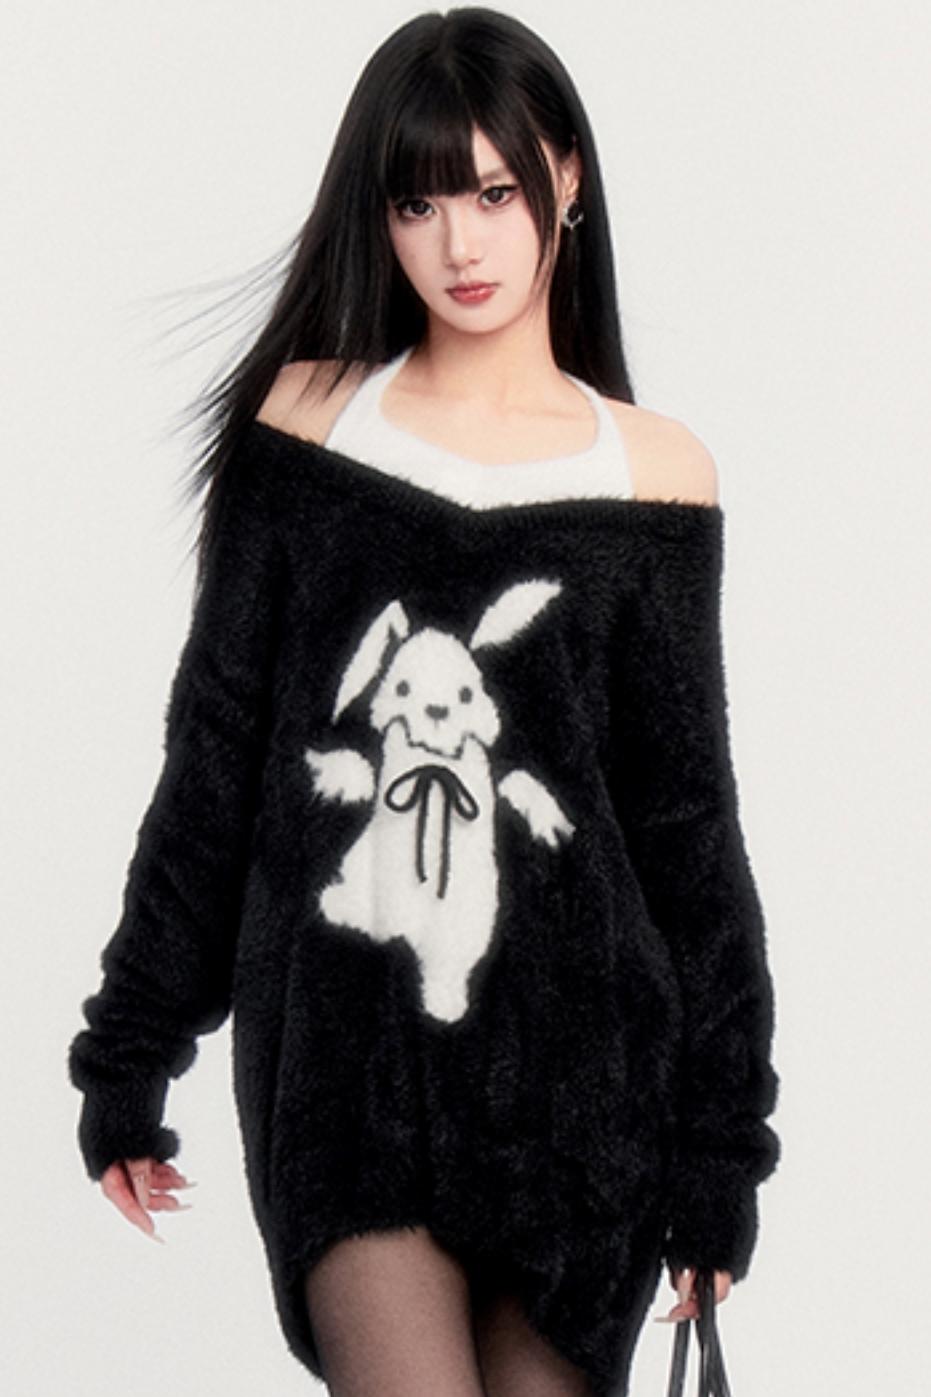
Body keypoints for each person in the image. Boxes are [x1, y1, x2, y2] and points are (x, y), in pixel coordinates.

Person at [67, 8, 780, 1396]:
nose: (461, 244)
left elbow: (688, 839)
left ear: (565, 180)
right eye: (419, 201)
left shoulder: (655, 477)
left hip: (585, 1096)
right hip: (350, 1065)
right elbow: (219, 755)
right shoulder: (306, 429)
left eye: (495, 193)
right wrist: (131, 1046)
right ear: (379, 216)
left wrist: (718, 1156)